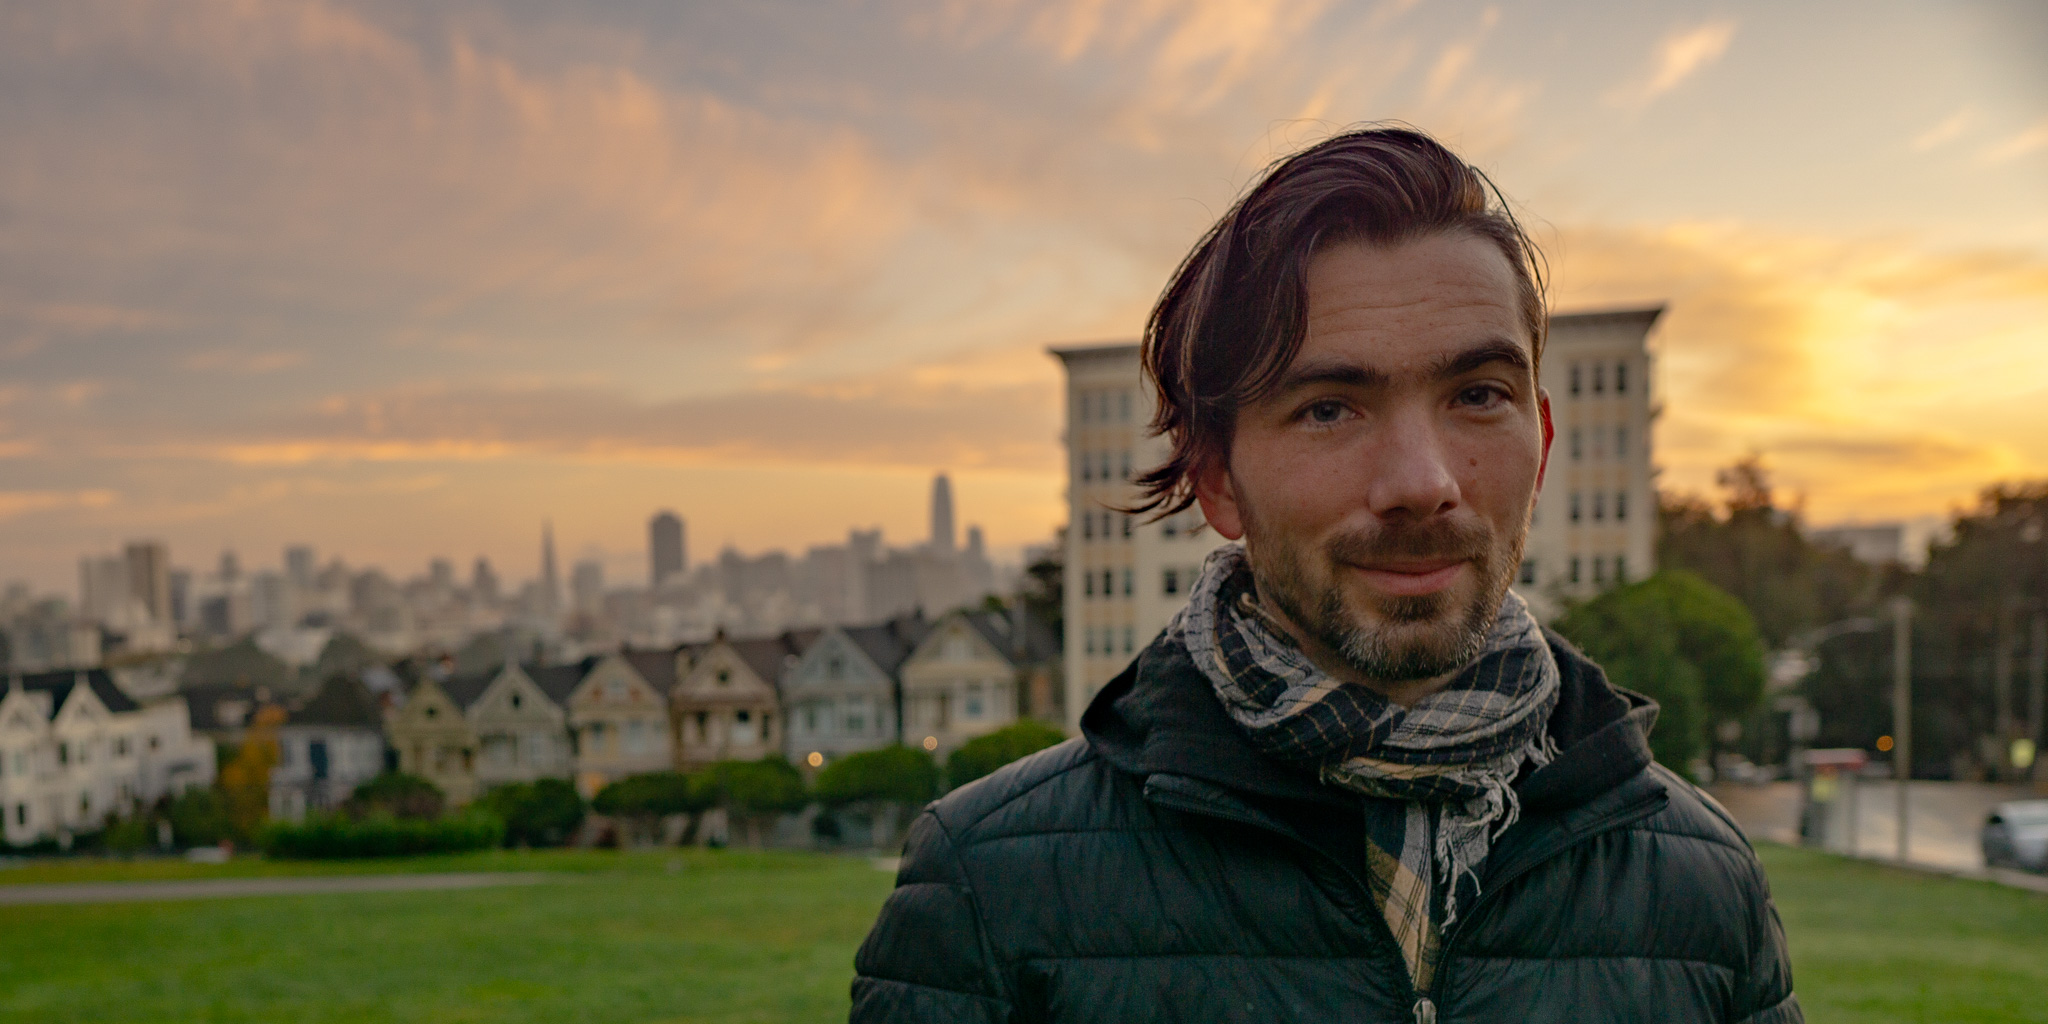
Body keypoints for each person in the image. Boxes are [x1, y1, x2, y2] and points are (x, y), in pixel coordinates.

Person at [851, 126, 1799, 1024]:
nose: (1422, 485)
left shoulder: (1704, 885)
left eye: (1478, 395)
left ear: (1541, 445)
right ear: (1216, 477)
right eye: (1329, 410)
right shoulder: (992, 886)